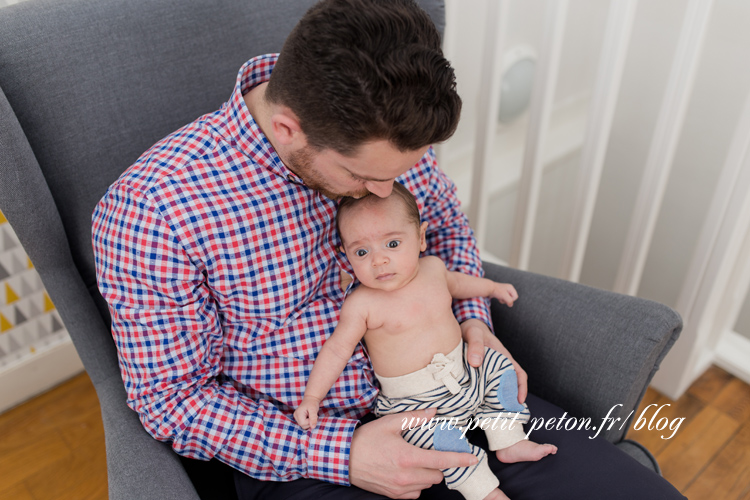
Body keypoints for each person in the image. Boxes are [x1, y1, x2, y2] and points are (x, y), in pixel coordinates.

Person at [92, 0, 687, 498]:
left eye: (399, 172)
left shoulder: (379, 137)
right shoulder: (154, 212)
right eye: (363, 177)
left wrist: (474, 324)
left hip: (461, 390)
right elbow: (174, 400)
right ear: (287, 130)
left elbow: (447, 229)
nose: (387, 190)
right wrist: (341, 453)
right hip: (308, 457)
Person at [294, 183, 557, 500]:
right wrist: (311, 398)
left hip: (465, 373)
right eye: (362, 252)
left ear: (420, 238)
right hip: (417, 408)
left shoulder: (433, 269)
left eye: (392, 243)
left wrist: (491, 288)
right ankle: (483, 491)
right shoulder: (362, 305)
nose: (379, 260)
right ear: (346, 255)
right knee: (444, 449)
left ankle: (509, 439)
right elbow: (337, 350)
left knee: (499, 367)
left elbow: (460, 283)